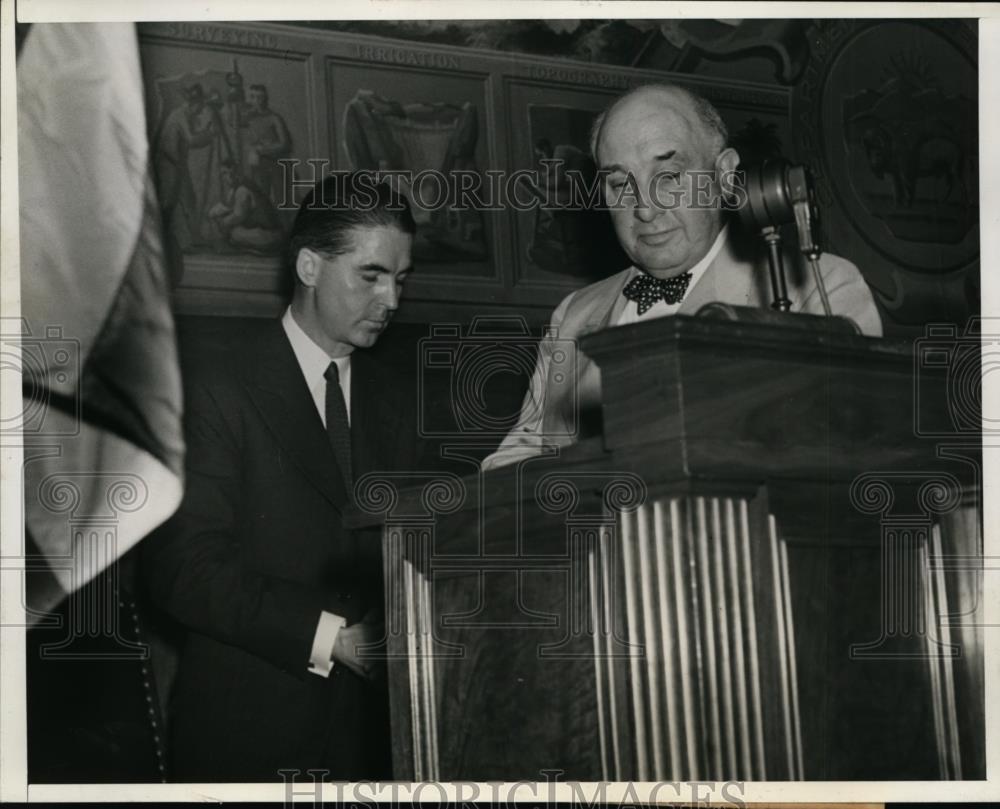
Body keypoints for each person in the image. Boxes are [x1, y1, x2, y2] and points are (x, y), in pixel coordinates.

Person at [143, 174, 420, 782]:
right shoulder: (215, 387)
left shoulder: (400, 398)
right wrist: (332, 639)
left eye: (400, 280)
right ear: (309, 266)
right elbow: (182, 568)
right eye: (370, 275)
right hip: (246, 741)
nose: (392, 302)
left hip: (377, 744)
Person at [483, 84, 883, 470]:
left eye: (669, 176)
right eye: (621, 184)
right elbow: (516, 459)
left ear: (725, 174)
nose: (645, 209)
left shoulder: (816, 285)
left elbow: (848, 450)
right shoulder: (573, 314)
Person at [207, 159, 284, 253]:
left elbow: (238, 216)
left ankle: (244, 248)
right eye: (224, 173)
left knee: (234, 233)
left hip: (268, 234)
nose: (229, 176)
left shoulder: (242, 189)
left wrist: (221, 222)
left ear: (238, 172)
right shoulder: (234, 190)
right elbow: (231, 208)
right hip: (262, 231)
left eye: (232, 171)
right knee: (223, 221)